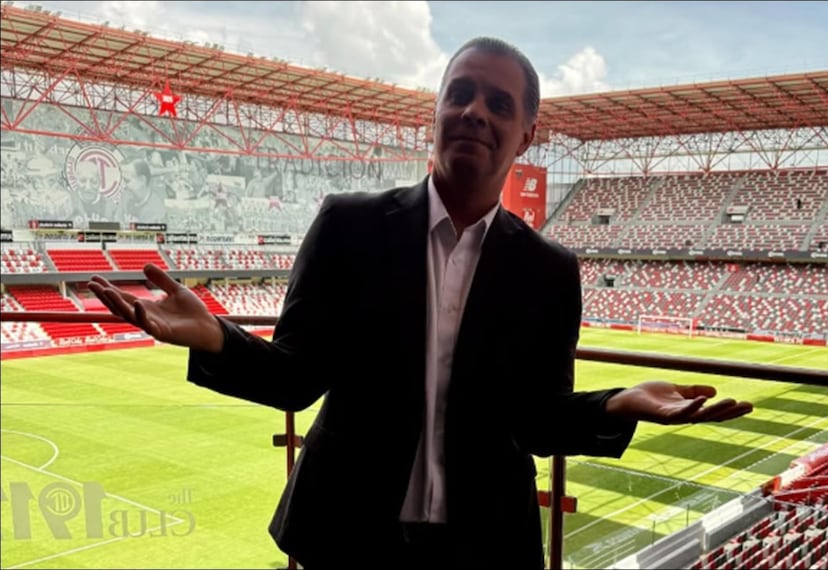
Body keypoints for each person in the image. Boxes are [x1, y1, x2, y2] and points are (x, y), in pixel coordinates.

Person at [89, 37, 753, 569]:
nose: (474, 111)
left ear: (525, 135)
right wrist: (215, 339)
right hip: (344, 537)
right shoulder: (347, 224)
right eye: (459, 94)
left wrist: (615, 404)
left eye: (498, 103)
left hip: (484, 545)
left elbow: (534, 422)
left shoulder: (550, 271)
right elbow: (296, 379)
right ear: (433, 111)